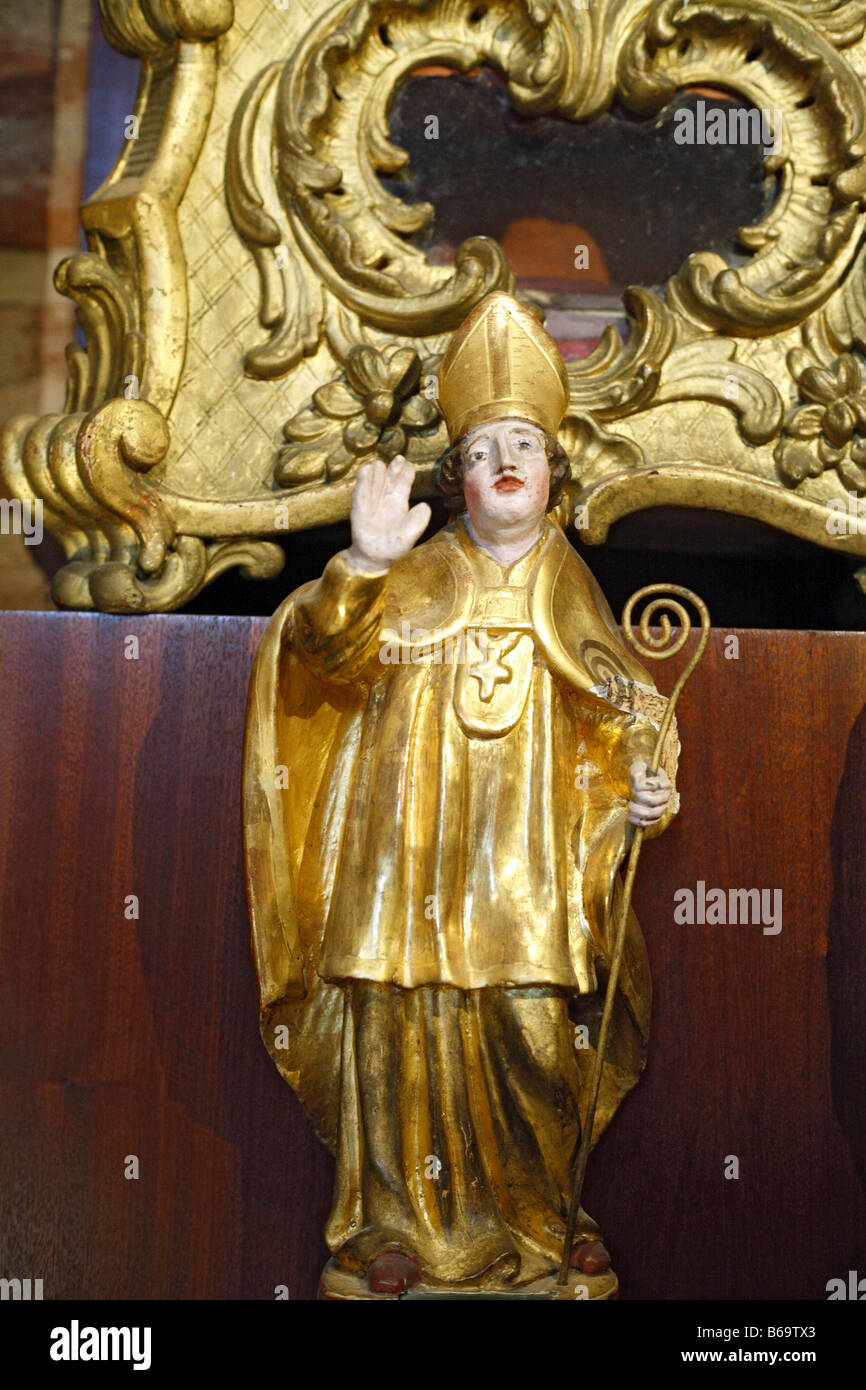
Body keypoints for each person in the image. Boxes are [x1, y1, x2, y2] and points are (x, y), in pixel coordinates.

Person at [244, 293, 678, 1299]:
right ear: (457, 479)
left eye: (523, 443)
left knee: (533, 1032)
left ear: (554, 472)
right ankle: (388, 1225)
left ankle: (543, 1215)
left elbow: (626, 704)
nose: (503, 463)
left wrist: (645, 783)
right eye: (482, 451)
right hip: (405, 857)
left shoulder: (569, 588)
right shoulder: (413, 572)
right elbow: (321, 658)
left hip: (526, 863)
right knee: (395, 1025)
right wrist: (360, 562)